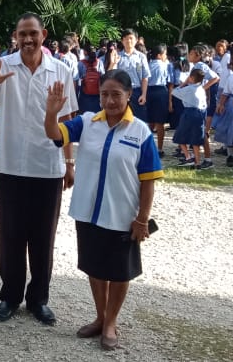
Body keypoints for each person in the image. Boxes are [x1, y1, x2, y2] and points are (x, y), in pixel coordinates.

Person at [43, 69, 163, 351]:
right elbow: (55, 135)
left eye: (116, 95)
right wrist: (52, 113)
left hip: (121, 215)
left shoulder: (141, 132)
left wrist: (142, 219)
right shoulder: (87, 122)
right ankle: (100, 316)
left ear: (129, 95)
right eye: (104, 95)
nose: (109, 101)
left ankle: (111, 323)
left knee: (120, 272)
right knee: (95, 267)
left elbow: (148, 181)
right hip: (88, 211)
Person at [0, 13, 77, 326]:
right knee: (9, 235)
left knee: (43, 238)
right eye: (23, 34)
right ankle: (9, 296)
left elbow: (68, 123)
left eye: (33, 33)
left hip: (48, 167)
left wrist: (69, 163)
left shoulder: (60, 71)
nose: (28, 39)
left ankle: (38, 300)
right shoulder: (3, 66)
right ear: (15, 36)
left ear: (44, 35)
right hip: (9, 166)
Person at [172, 69, 208, 167]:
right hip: (200, 114)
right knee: (195, 139)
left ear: (191, 78)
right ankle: (197, 162)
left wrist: (184, 83)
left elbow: (174, 92)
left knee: (180, 136)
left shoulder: (188, 89)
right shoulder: (201, 89)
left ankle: (188, 156)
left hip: (189, 112)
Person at [115, 29, 150, 122]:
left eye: (131, 38)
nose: (128, 41)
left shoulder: (141, 57)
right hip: (122, 92)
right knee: (121, 120)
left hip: (136, 92)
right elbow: (112, 76)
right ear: (122, 41)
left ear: (136, 40)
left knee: (138, 121)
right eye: (126, 38)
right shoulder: (118, 57)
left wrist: (143, 94)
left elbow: (144, 77)